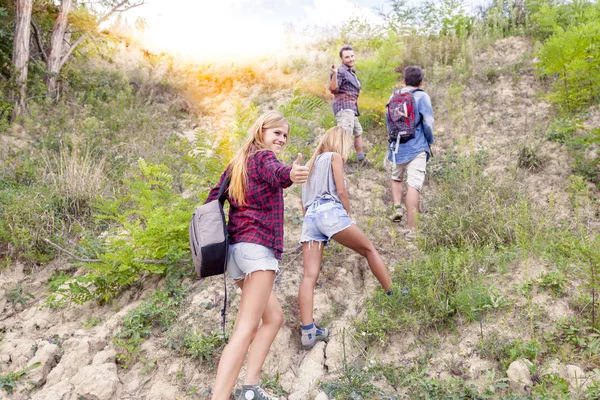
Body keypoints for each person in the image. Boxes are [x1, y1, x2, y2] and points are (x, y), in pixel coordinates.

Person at [206, 111, 309, 400]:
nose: (282, 139)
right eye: (277, 132)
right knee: (245, 328)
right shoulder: (264, 157)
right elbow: (277, 173)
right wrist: (290, 174)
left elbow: (212, 198)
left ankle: (250, 389)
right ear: (261, 130)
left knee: (273, 317)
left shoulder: (237, 161)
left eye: (285, 135)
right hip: (257, 249)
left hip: (236, 253)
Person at [298, 126, 392, 349]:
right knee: (368, 249)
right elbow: (341, 191)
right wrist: (348, 214)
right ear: (340, 142)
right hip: (330, 211)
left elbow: (302, 206)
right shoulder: (334, 157)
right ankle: (393, 293)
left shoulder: (309, 166)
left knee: (309, 276)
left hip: (310, 218)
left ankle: (308, 332)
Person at [386, 65, 434, 240]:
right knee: (413, 185)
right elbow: (428, 122)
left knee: (396, 178)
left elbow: (388, 121)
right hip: (417, 146)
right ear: (421, 81)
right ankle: (412, 231)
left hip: (397, 146)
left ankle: (397, 207)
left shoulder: (394, 96)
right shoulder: (422, 96)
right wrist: (429, 141)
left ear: (404, 80)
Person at [329, 45, 369, 166]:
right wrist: (335, 73)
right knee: (344, 135)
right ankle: (338, 163)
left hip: (351, 108)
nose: (351, 59)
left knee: (358, 132)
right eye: (347, 57)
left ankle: (361, 159)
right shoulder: (340, 71)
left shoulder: (351, 72)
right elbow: (333, 89)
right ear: (342, 59)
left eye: (352, 56)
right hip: (344, 107)